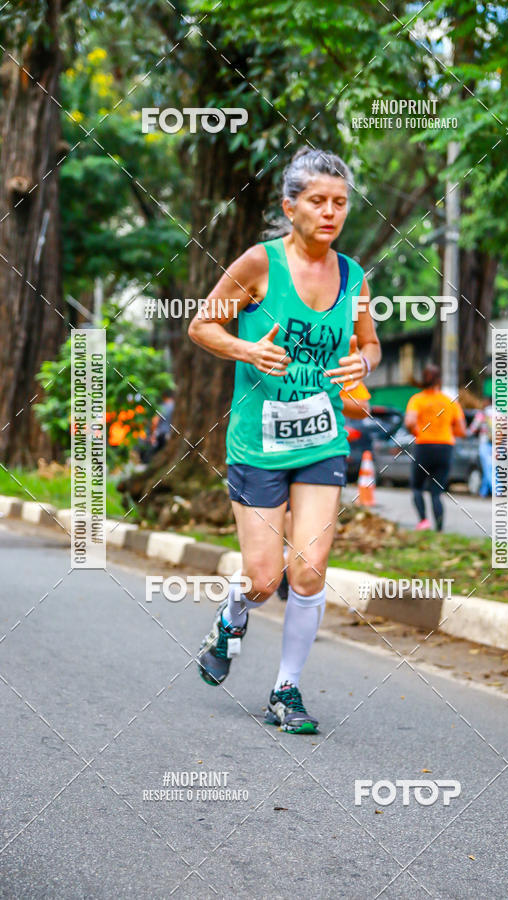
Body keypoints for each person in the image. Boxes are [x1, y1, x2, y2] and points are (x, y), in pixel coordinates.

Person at [188, 148, 381, 734]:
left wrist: (362, 366)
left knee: (309, 571)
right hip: (258, 441)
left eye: (340, 203)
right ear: (289, 205)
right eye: (317, 201)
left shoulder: (354, 277)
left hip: (322, 438)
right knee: (265, 578)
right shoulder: (258, 265)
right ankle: (232, 616)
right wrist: (247, 348)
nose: (330, 213)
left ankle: (286, 690)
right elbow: (201, 324)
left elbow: (370, 344)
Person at [276, 378, 372, 602]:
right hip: (276, 453)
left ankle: (297, 589)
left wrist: (324, 396)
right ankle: (288, 575)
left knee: (305, 539)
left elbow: (362, 407)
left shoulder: (338, 352)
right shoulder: (275, 349)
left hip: (320, 455)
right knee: (290, 526)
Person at [404, 364, 466, 531]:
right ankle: (439, 528)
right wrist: (446, 431)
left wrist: (416, 431)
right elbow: (462, 429)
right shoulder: (450, 401)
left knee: (417, 486)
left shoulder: (417, 399)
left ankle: (423, 521)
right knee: (436, 491)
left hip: (424, 446)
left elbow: (409, 421)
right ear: (440, 380)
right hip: (445, 447)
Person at [467, 396, 495, 497]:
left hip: (485, 443)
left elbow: (473, 429)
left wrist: (465, 434)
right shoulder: (500, 413)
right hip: (498, 444)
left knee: (488, 468)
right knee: (490, 466)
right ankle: (483, 492)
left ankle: (497, 491)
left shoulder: (482, 413)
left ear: (487, 402)